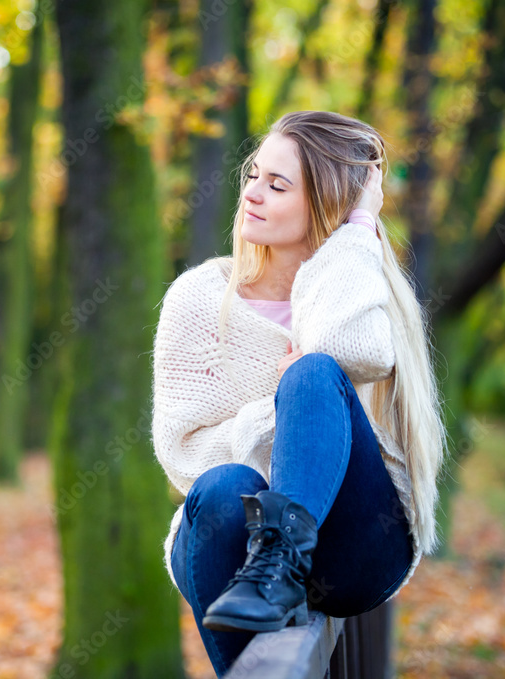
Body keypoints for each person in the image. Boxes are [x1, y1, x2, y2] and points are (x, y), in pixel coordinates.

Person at [151, 110, 447, 676]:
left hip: (353, 546)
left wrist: (359, 228)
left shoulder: (355, 291)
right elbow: (184, 455)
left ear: (327, 206)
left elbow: (353, 350)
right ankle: (271, 570)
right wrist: (273, 415)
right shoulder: (198, 299)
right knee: (223, 486)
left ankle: (280, 562)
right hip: (232, 552)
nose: (252, 194)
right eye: (254, 176)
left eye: (277, 184)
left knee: (312, 371)